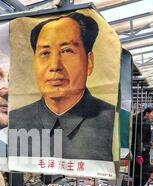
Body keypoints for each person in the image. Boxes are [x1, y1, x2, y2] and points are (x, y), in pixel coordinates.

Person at [9, 12, 115, 160]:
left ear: (89, 61)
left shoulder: (111, 120)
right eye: (45, 53)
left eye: (66, 51)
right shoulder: (14, 120)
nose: (54, 66)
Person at [130, 107, 153, 186]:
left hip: (140, 150)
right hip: (140, 151)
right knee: (143, 173)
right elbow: (138, 138)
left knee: (138, 173)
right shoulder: (141, 122)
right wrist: (139, 153)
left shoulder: (146, 122)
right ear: (147, 113)